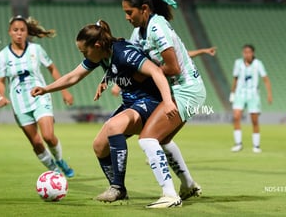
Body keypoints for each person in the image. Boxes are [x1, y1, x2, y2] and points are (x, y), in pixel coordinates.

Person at [31, 19, 180, 208]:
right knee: (99, 146)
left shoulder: (125, 53)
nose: (84, 55)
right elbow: (73, 76)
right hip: (131, 103)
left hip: (151, 102)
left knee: (114, 126)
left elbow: (156, 72)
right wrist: (45, 89)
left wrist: (167, 102)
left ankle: (117, 188)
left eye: (85, 51)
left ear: (98, 45)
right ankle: (118, 188)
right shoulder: (101, 55)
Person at [119, 0, 207, 207]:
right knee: (163, 140)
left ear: (145, 9)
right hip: (176, 89)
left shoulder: (158, 28)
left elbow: (174, 68)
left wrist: (141, 78)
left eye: (130, 12)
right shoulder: (138, 33)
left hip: (186, 89)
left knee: (148, 138)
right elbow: (129, 62)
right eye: (125, 13)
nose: (127, 17)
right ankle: (188, 185)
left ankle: (169, 195)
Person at [0, 15, 75, 177]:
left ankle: (59, 159)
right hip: (19, 103)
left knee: (47, 136)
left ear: (27, 32)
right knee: (36, 142)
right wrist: (1, 95)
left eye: (22, 30)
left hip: (40, 96)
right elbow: (1, 81)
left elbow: (52, 68)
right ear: (9, 32)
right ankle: (54, 171)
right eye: (15, 30)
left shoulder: (36, 50)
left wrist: (64, 90)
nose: (19, 33)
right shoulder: (3, 55)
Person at [110, 47, 217, 96]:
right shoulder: (139, 39)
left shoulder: (159, 42)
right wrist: (119, 85)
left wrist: (203, 51)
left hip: (153, 90)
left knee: (153, 137)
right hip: (141, 90)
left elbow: (180, 56)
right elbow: (130, 63)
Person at [229, 44, 273, 153]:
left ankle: (256, 146)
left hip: (253, 94)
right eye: (245, 52)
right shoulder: (238, 63)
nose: (246, 54)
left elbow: (265, 79)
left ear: (253, 53)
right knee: (236, 117)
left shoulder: (258, 64)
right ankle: (238, 144)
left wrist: (269, 94)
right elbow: (235, 79)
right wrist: (232, 93)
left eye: (249, 52)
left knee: (254, 120)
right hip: (240, 93)